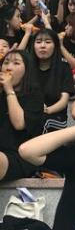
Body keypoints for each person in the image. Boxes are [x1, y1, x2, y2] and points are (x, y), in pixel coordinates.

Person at [0, 49, 45, 181]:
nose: (9, 67)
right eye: (6, 63)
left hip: (20, 156)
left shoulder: (35, 96)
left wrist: (9, 90)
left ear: (27, 70)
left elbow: (19, 124)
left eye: (16, 63)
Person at [29, 29, 75, 132]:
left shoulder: (64, 68)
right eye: (38, 42)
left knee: (41, 121)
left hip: (55, 116)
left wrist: (46, 110)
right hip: (32, 112)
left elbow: (64, 101)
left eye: (48, 42)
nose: (42, 46)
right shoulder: (27, 68)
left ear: (55, 46)